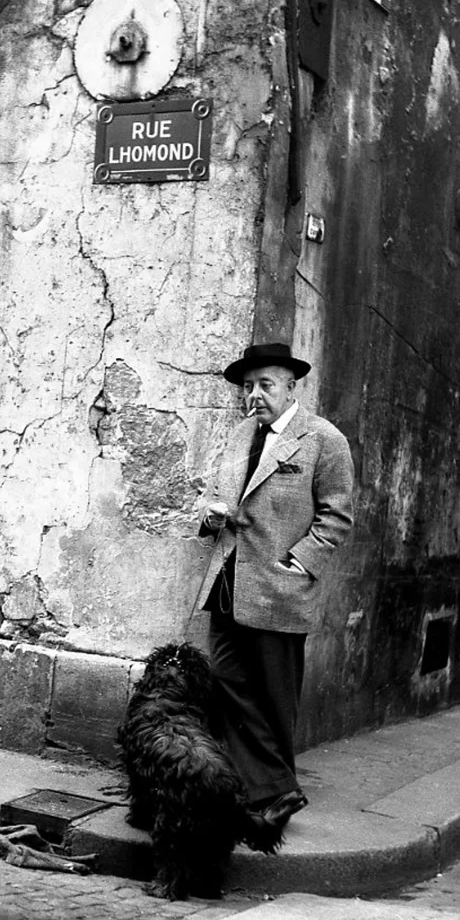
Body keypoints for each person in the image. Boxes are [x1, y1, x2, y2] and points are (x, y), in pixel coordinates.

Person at [196, 342, 354, 834]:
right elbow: (216, 493)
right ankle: (275, 790)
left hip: (278, 588)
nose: (254, 396)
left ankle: (271, 800)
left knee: (273, 696)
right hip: (229, 580)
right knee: (225, 682)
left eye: (265, 384)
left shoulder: (325, 441)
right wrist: (208, 513)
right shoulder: (242, 434)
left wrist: (298, 561)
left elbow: (336, 517)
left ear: (291, 386)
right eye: (248, 387)